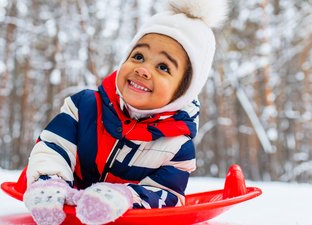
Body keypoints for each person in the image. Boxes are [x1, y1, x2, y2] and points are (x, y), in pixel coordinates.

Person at [23, 0, 228, 224]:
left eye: (163, 67)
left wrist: (125, 197)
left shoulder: (177, 146)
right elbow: (53, 147)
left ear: (184, 91)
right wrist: (49, 181)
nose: (142, 69)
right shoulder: (83, 107)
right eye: (138, 56)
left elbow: (167, 196)